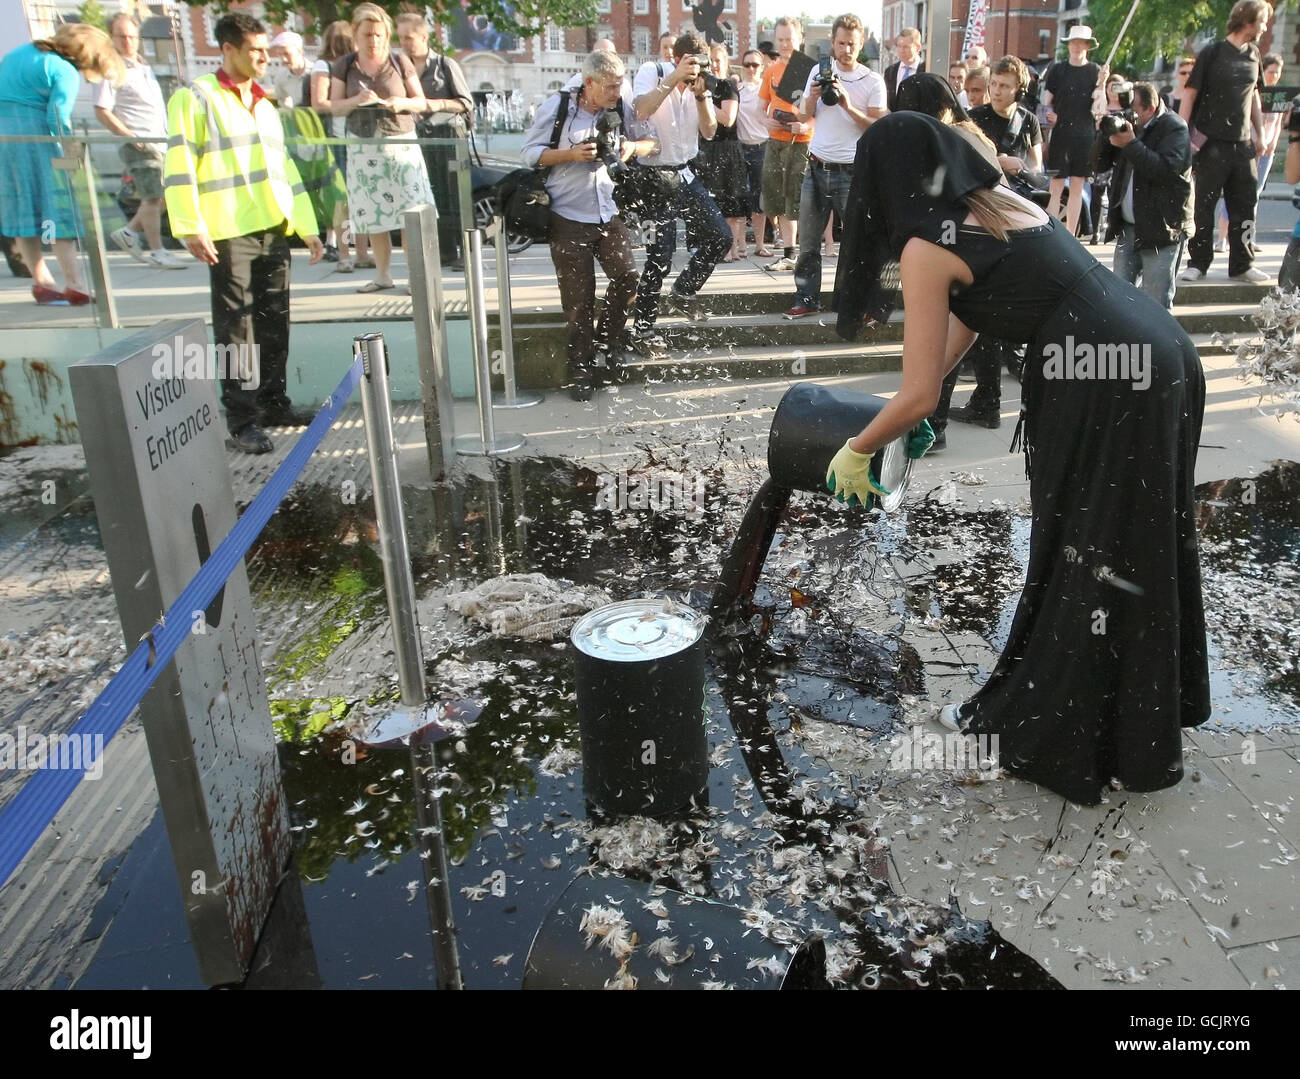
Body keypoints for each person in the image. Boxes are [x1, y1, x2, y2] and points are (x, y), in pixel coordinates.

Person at [831, 111, 1209, 806]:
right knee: (1135, 543)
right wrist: (916, 409)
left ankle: (1042, 726)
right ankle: (1135, 731)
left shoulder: (924, 246)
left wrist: (857, 447)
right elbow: (975, 318)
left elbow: (914, 391)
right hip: (1158, 349)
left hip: (1101, 375)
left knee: (1082, 549)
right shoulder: (1000, 204)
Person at [163, 12, 323, 454]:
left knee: (275, 321)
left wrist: (306, 228)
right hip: (227, 231)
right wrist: (191, 227)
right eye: (254, 50)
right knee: (237, 329)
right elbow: (178, 166)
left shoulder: (264, 103)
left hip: (272, 228)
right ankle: (241, 420)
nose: (263, 58)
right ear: (227, 49)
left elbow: (284, 169)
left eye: (265, 50)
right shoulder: (196, 98)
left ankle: (273, 403)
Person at [522, 51, 657, 401]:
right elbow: (529, 153)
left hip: (607, 211)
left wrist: (630, 148)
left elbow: (652, 143)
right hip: (566, 215)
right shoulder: (559, 108)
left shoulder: (619, 107)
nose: (617, 93)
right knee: (579, 301)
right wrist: (571, 154)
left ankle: (607, 341)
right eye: (611, 87)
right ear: (589, 83)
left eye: (620, 86)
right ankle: (580, 369)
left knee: (628, 277)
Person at [0, 24, 122, 305]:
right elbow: (58, 119)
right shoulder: (63, 69)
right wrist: (71, 156)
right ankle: (74, 283)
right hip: (37, 141)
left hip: (5, 143)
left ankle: (42, 282)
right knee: (54, 213)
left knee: (23, 212)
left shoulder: (19, 54)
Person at [630, 31, 731, 349]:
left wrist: (701, 96)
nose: (695, 72)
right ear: (677, 58)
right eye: (691, 64)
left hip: (685, 176)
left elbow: (710, 131)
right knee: (658, 258)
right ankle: (642, 330)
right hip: (652, 179)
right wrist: (675, 77)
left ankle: (684, 290)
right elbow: (641, 110)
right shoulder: (653, 72)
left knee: (721, 236)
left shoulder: (700, 85)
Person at [785, 13, 884, 319]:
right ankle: (807, 298)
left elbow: (878, 127)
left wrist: (847, 105)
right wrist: (812, 97)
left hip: (852, 171)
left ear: (861, 43)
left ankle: (862, 303)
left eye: (851, 44)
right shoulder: (818, 70)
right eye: (841, 43)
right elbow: (802, 117)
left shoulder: (872, 79)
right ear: (832, 42)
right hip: (815, 166)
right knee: (809, 243)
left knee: (858, 243)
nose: (846, 49)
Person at [329, 3, 432, 293]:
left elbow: (420, 101)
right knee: (374, 215)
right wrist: (356, 101)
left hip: (400, 143)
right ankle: (383, 275)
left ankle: (415, 277)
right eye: (367, 35)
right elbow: (333, 107)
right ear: (355, 35)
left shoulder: (400, 61)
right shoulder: (345, 65)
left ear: (386, 35)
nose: (373, 40)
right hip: (363, 147)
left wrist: (401, 104)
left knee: (409, 214)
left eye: (378, 34)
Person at [1180, 0, 1272, 284]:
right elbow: (1190, 94)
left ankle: (1242, 264)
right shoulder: (1212, 53)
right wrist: (1181, 135)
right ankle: (1198, 263)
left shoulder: (1254, 54)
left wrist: (1261, 134)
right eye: (1263, 21)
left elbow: (1254, 97)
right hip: (1211, 143)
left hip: (1242, 145)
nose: (1266, 27)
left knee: (1245, 204)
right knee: (1204, 206)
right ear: (1248, 21)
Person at [1092, 81, 1192, 310]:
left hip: (1163, 228)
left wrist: (1131, 144)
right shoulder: (1128, 127)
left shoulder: (1174, 128)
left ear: (1150, 108)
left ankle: (1156, 347)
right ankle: (1125, 345)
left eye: (1134, 111)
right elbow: (1098, 164)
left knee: (1155, 303)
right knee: (1120, 299)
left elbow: (1165, 170)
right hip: (1128, 227)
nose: (1129, 117)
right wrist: (1104, 136)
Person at [96, 13, 183, 270]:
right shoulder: (111, 70)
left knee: (166, 193)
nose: (128, 42)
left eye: (132, 36)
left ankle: (129, 232)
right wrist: (131, 137)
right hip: (139, 142)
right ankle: (157, 250)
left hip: (159, 140)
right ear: (111, 38)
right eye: (121, 36)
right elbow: (102, 110)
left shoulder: (144, 68)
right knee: (152, 196)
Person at [397, 10, 472, 270]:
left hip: (447, 140)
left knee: (453, 196)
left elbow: (465, 102)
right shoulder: (398, 67)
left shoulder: (445, 65)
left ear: (424, 36)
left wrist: (431, 104)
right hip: (414, 142)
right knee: (425, 197)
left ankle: (462, 251)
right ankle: (438, 251)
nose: (405, 43)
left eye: (409, 37)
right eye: (401, 38)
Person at [309, 19, 367, 271]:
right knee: (342, 199)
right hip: (338, 139)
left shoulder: (355, 65)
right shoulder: (325, 65)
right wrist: (357, 100)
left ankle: (362, 253)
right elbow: (319, 102)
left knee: (361, 197)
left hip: (357, 136)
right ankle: (345, 253)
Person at [758, 16, 812, 271]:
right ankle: (789, 250)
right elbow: (760, 108)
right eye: (780, 39)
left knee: (794, 198)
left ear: (799, 38)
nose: (784, 44)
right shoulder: (770, 70)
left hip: (799, 142)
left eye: (789, 39)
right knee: (774, 199)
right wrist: (766, 122)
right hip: (775, 140)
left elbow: (825, 112)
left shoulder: (810, 69)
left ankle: (795, 251)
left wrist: (808, 126)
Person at [1044, 25, 1107, 237]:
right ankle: (1051, 232)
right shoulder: (1058, 69)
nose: (1077, 46)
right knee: (1056, 185)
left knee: (1077, 186)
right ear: (1069, 44)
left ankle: (1070, 234)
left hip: (1084, 133)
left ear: (1088, 46)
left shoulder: (1095, 71)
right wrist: (1048, 114)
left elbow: (1100, 105)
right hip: (1061, 131)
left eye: (1081, 42)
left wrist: (1103, 84)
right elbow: (1046, 100)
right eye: (1074, 42)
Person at [695, 42, 748, 261]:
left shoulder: (728, 86)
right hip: (706, 149)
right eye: (711, 60)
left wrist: (704, 100)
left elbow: (728, 119)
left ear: (725, 63)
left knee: (731, 202)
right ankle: (722, 247)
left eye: (719, 60)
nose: (715, 65)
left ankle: (732, 248)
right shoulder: (699, 86)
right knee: (712, 203)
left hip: (727, 149)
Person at [736, 48, 772, 258]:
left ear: (761, 68)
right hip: (741, 147)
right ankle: (741, 244)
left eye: (755, 65)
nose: (750, 69)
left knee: (760, 199)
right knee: (741, 197)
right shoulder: (737, 91)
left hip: (762, 146)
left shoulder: (766, 91)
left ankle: (759, 244)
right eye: (747, 64)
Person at [883, 27, 925, 112]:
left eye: (906, 47)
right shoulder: (890, 72)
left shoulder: (926, 70)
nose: (901, 50)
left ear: (918, 48)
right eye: (899, 46)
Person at [264, 29, 309, 106]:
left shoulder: (316, 72)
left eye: (287, 54)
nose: (283, 59)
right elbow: (282, 102)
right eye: (279, 54)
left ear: (300, 51)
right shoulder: (281, 77)